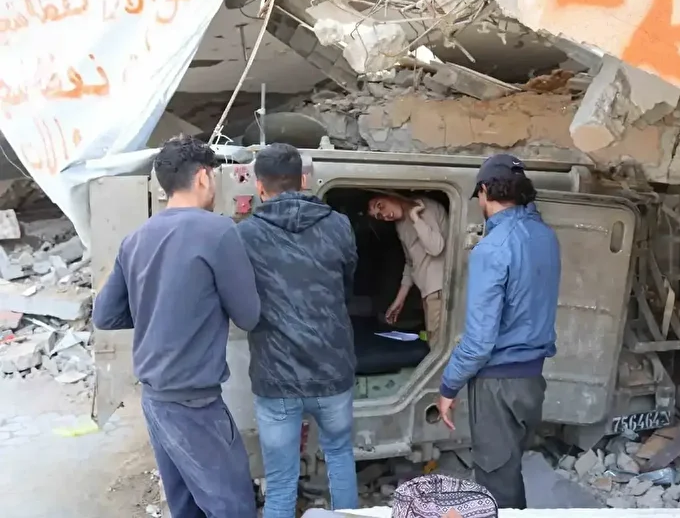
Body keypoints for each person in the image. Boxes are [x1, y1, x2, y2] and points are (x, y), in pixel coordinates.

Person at [92, 135, 261, 518]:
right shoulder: (218, 232)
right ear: (202, 177)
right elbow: (249, 316)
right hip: (195, 403)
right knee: (233, 507)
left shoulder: (135, 239)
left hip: (155, 400)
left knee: (185, 505)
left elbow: (105, 315)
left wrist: (159, 309)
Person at [236, 143, 359, 518]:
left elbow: (241, 300)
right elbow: (347, 285)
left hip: (276, 378)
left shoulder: (246, 234)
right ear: (304, 180)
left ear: (259, 186)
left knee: (280, 479)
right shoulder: (338, 225)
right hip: (333, 370)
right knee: (340, 455)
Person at [436, 153, 561, 509]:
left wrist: (448, 386)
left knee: (497, 485)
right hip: (532, 380)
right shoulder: (545, 236)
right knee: (511, 469)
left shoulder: (492, 248)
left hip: (498, 386)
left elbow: (479, 342)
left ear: (485, 190)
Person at [367, 193, 448, 345]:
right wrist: (399, 301)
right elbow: (411, 263)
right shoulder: (401, 224)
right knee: (433, 341)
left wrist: (415, 217)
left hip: (439, 289)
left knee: (437, 344)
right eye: (379, 216)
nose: (385, 215)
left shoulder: (423, 208)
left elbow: (436, 247)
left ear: (390, 194)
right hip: (427, 291)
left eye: (381, 206)